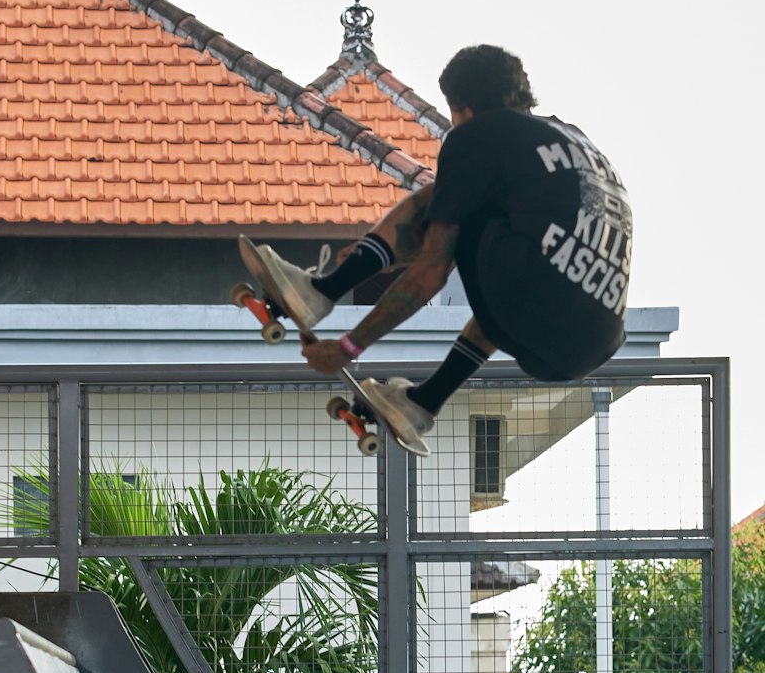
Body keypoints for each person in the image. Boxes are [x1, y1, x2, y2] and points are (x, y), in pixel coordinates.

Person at [252, 44, 633, 452]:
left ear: (462, 106)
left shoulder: (477, 136)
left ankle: (321, 291)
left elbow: (432, 271)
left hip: (533, 293)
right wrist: (383, 255)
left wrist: (347, 347)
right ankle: (424, 401)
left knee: (441, 199)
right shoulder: (571, 139)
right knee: (510, 262)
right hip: (591, 340)